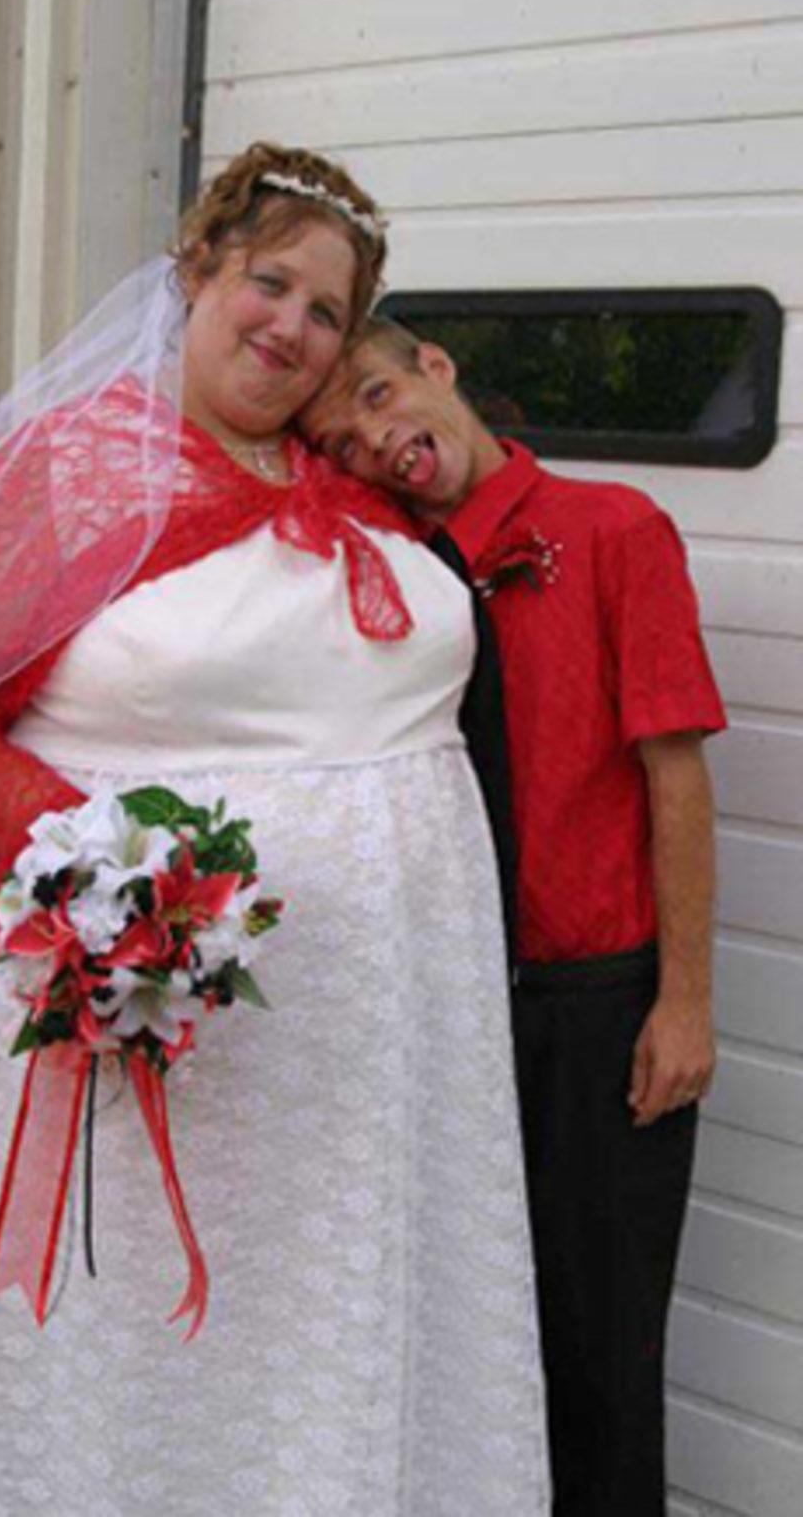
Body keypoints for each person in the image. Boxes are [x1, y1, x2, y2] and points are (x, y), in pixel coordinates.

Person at [0, 146, 549, 1517]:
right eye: (270, 282)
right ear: (196, 271)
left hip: (364, 1075)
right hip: (149, 1031)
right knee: (138, 1367)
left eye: (327, 311)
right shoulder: (71, 476)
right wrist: (106, 879)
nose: (291, 327)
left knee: (320, 1356)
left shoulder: (358, 485)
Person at [301, 317, 726, 1517]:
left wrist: (685, 1003)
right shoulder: (394, 576)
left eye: (378, 395)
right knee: (476, 1341)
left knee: (604, 1350)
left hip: (598, 1009)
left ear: (436, 367)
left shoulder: (614, 530)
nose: (381, 442)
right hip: (452, 1002)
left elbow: (676, 777)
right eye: (346, 444)